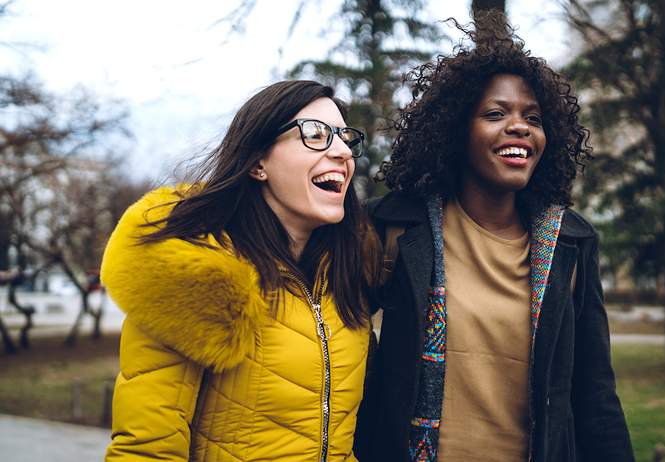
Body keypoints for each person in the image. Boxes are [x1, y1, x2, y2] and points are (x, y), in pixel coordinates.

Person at [355, 12, 635, 462]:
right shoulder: (394, 228)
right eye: (495, 114)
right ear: (456, 131)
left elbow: (595, 395)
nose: (520, 127)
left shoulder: (572, 245)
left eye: (533, 118)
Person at [102, 80, 380, 461]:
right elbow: (148, 450)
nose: (342, 151)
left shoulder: (348, 274)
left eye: (345, 138)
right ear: (257, 163)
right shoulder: (198, 274)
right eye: (315, 134)